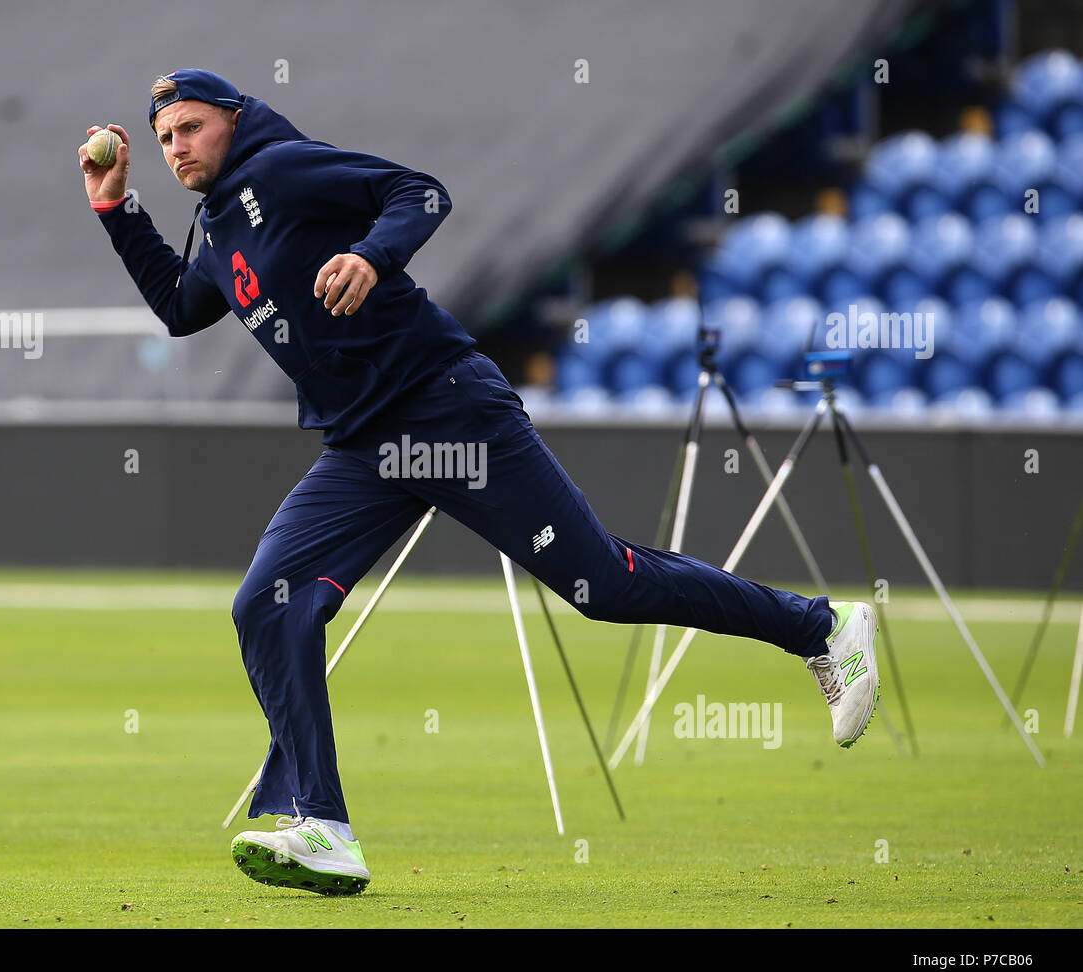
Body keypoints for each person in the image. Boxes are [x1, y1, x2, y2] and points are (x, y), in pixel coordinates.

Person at [79, 68, 880, 897]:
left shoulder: (281, 170)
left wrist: (366, 251)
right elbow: (181, 307)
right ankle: (323, 827)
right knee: (267, 602)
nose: (177, 145)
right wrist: (114, 206)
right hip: (365, 449)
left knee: (600, 585)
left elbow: (419, 194)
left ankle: (820, 629)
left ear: (234, 121)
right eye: (166, 135)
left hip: (449, 408)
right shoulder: (213, 227)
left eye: (192, 127)